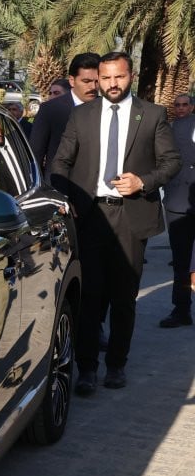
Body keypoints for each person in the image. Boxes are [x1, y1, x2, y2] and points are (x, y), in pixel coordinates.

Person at [51, 51, 180, 395]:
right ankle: (87, 369)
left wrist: (144, 182)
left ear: (130, 75)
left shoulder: (151, 115)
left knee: (124, 298)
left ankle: (116, 365)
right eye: (104, 78)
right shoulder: (81, 115)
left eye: (118, 77)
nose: (111, 84)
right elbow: (60, 164)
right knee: (90, 297)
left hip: (132, 216)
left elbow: (171, 162)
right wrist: (68, 202)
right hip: (90, 215)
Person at [30, 52, 101, 171]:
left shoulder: (109, 109)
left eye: (97, 81)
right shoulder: (50, 110)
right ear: (72, 81)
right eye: (86, 81)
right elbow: (35, 155)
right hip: (57, 186)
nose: (93, 87)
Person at [161, 103, 195, 327]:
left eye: (185, 104)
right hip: (180, 203)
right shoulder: (173, 128)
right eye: (178, 104)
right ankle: (181, 309)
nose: (181, 108)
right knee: (181, 261)